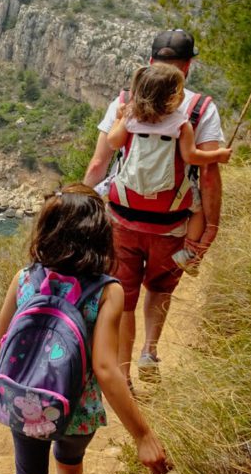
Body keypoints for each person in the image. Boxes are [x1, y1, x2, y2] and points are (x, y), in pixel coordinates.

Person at [0, 183, 171, 474]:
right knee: (70, 469)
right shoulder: (106, 290)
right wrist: (142, 434)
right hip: (78, 407)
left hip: (27, 403)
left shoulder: (25, 278)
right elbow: (106, 370)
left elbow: (1, 338)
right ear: (100, 235)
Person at [82, 29, 224, 383]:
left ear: (149, 63)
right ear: (187, 68)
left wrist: (79, 205)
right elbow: (208, 174)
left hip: (122, 219)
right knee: (160, 287)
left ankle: (124, 372)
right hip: (173, 223)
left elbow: (100, 162)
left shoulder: (125, 105)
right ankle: (150, 351)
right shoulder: (198, 110)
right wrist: (211, 227)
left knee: (123, 297)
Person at [106, 62, 231, 274]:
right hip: (169, 198)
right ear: (173, 97)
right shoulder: (181, 125)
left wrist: (119, 119)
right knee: (198, 212)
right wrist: (218, 155)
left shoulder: (130, 118)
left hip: (130, 191)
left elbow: (113, 142)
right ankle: (188, 255)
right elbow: (191, 156)